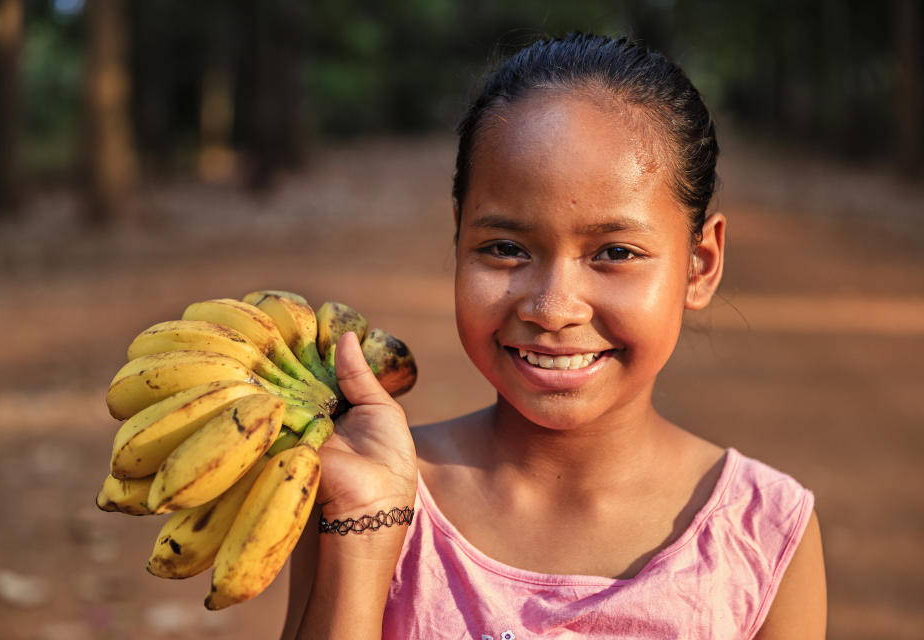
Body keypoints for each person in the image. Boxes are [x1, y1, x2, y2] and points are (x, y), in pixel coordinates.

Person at [282, 33, 826, 639]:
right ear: (459, 241)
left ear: (699, 264)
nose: (552, 308)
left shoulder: (764, 532)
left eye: (615, 252)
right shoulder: (365, 488)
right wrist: (363, 531)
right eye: (506, 249)